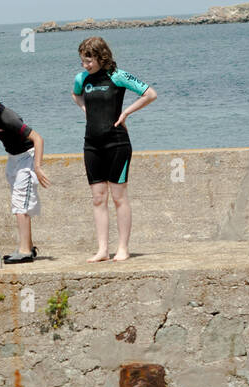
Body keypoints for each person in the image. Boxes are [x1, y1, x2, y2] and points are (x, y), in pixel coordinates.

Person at [71, 36, 157, 262]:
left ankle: (123, 248)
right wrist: (86, 110)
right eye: (83, 61)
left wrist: (126, 112)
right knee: (98, 198)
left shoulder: (118, 76)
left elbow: (150, 93)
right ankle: (102, 250)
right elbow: (76, 94)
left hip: (117, 143)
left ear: (101, 57)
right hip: (91, 144)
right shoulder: (82, 78)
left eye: (89, 61)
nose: (85, 65)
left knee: (119, 197)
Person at [0, 84, 51, 264]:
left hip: (28, 158)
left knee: (20, 202)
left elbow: (38, 139)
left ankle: (24, 251)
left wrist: (37, 167)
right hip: (13, 158)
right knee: (19, 201)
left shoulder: (8, 118)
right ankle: (28, 246)